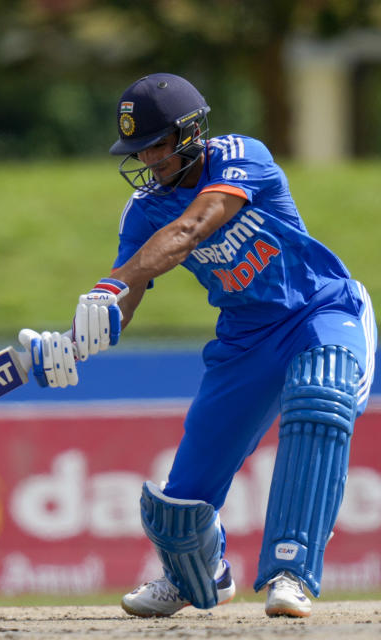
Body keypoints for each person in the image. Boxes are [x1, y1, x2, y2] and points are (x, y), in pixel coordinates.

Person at [19, 73, 376, 619]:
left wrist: (114, 280)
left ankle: (289, 571)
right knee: (178, 507)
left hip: (318, 311)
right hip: (244, 339)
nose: (150, 161)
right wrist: (77, 342)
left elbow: (193, 229)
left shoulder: (240, 156)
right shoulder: (143, 210)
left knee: (317, 400)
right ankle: (198, 576)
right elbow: (126, 297)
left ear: (190, 133)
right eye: (138, 151)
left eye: (158, 145)